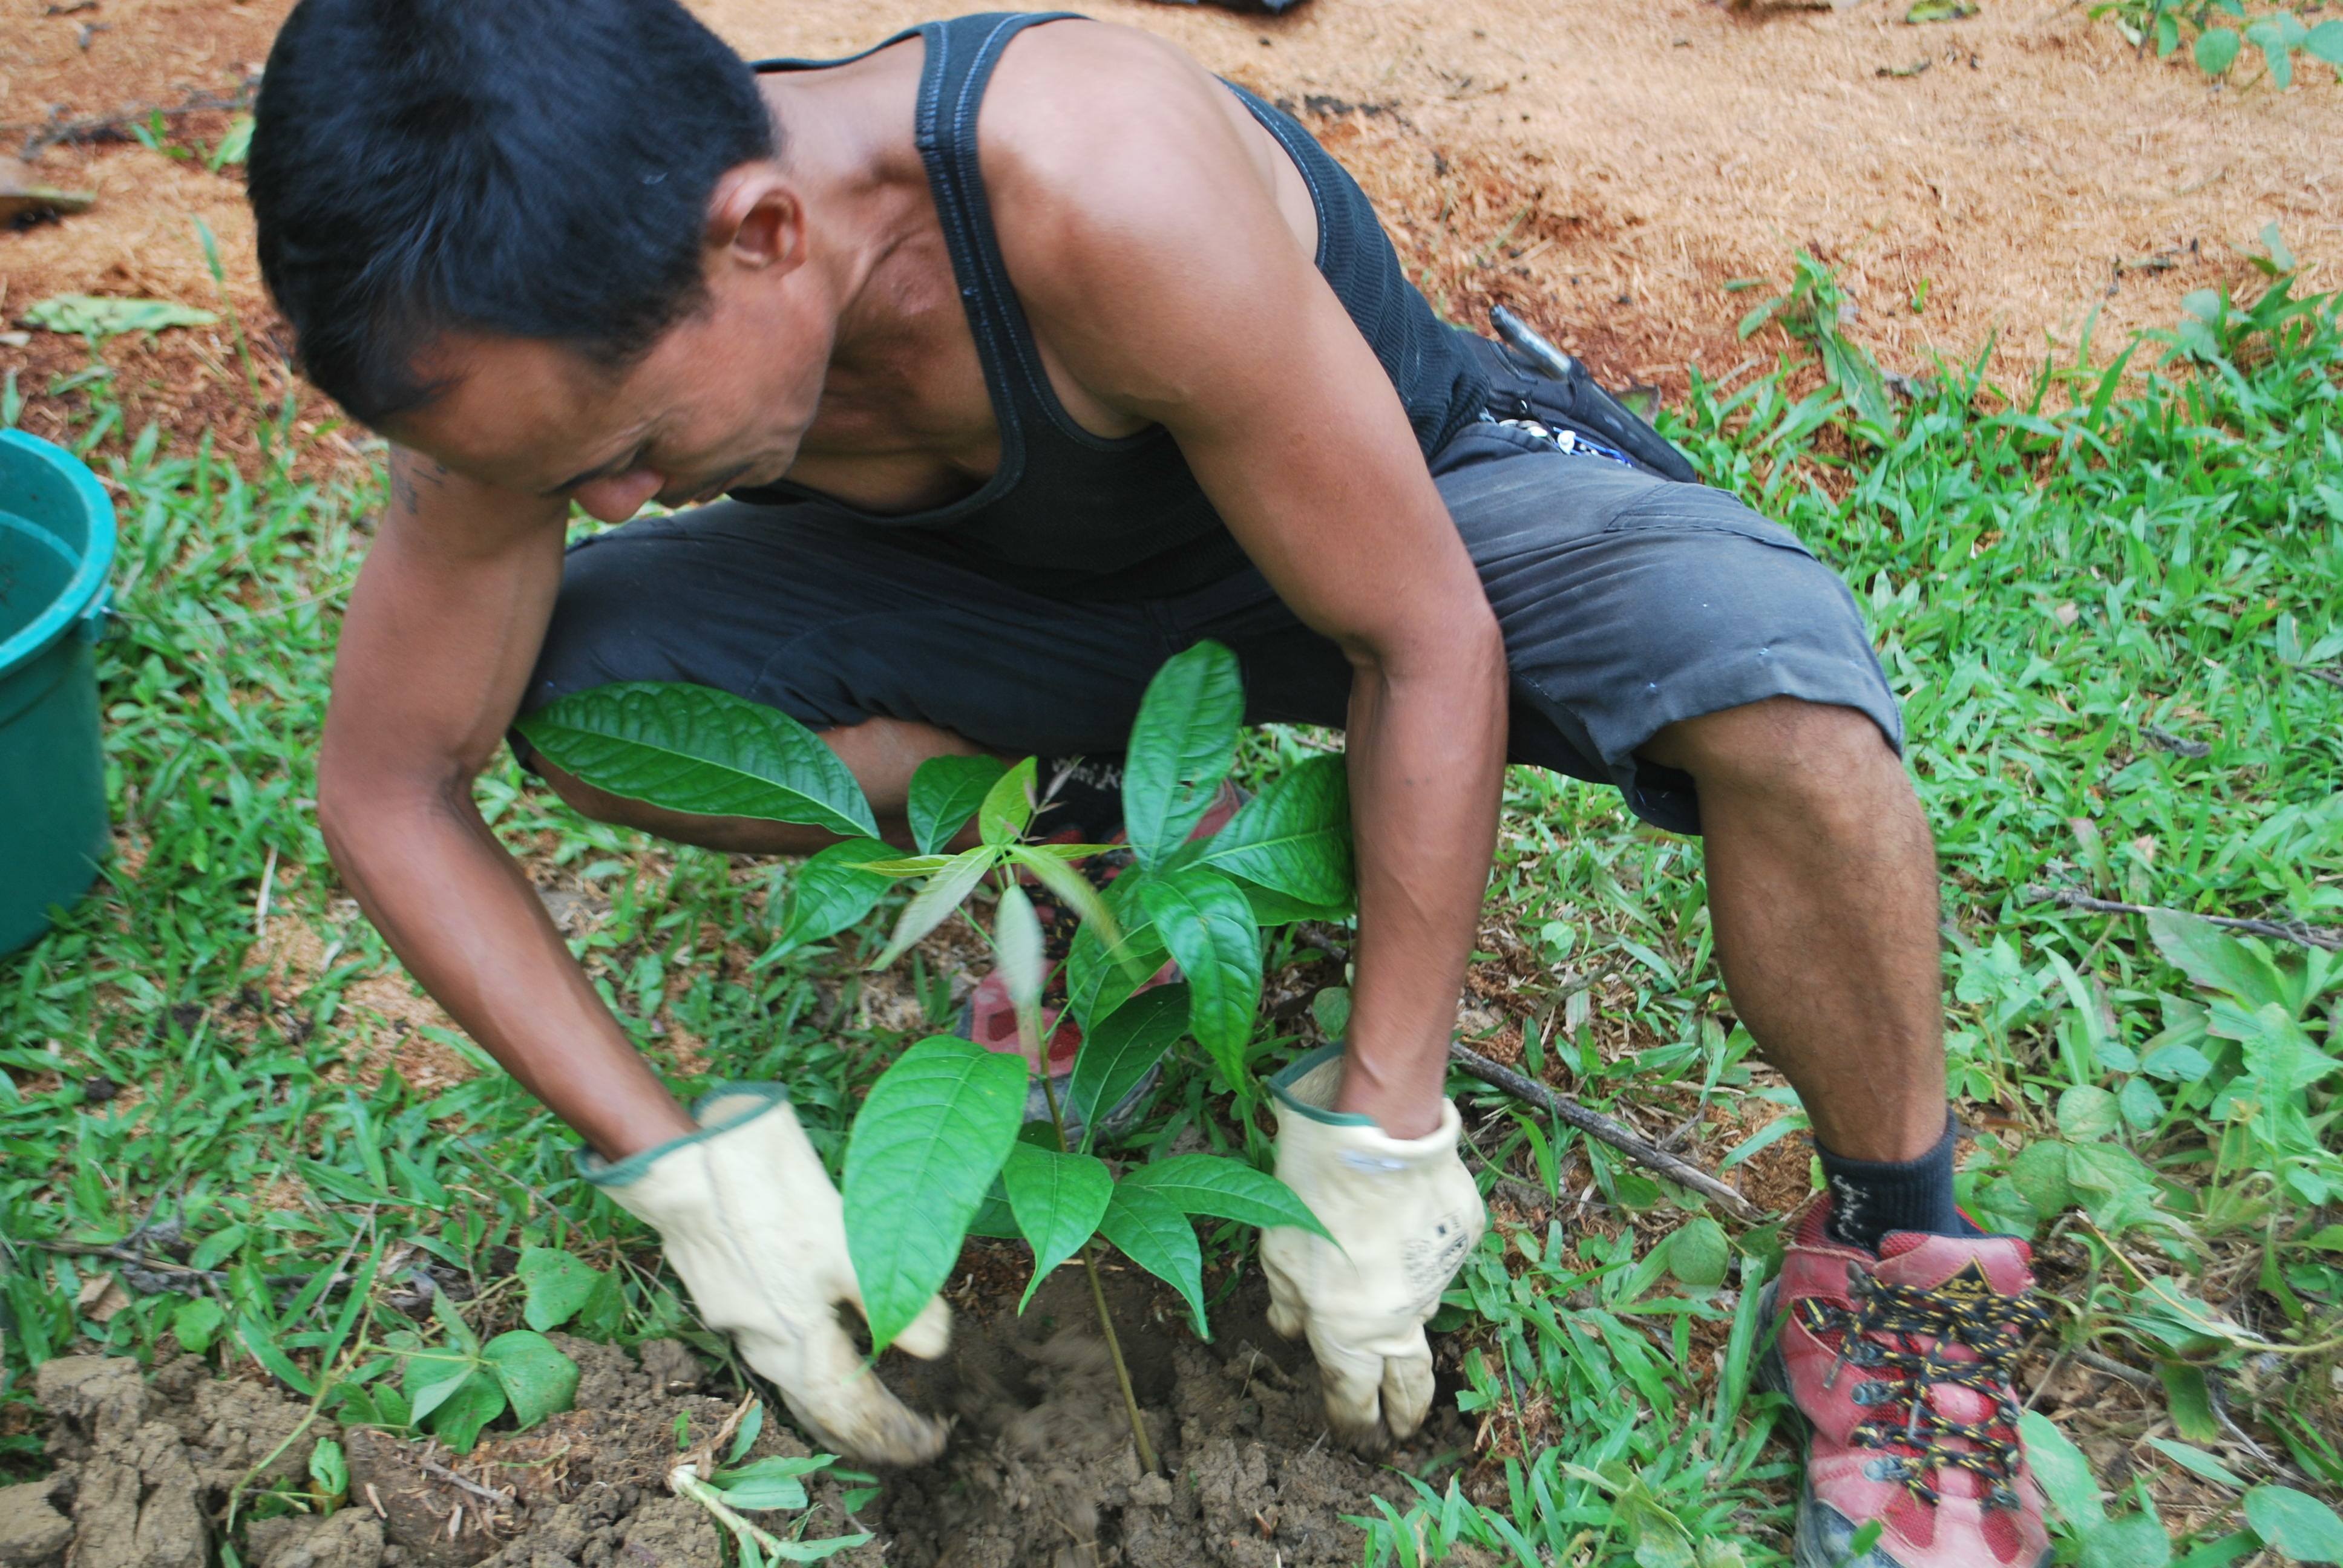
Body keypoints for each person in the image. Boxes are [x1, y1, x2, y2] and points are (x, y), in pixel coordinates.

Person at [247, 2, 2053, 1562]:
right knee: (595, 686)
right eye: (573, 477)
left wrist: (1383, 1117)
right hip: (1012, 617)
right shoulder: (519, 328)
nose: (616, 504)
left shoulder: (1091, 184)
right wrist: (673, 1156)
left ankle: (1903, 1254)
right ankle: (1077, 832)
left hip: (1389, 516)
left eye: (630, 451)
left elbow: (1420, 639)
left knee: (1784, 699)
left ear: (764, 232)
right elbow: (392, 786)